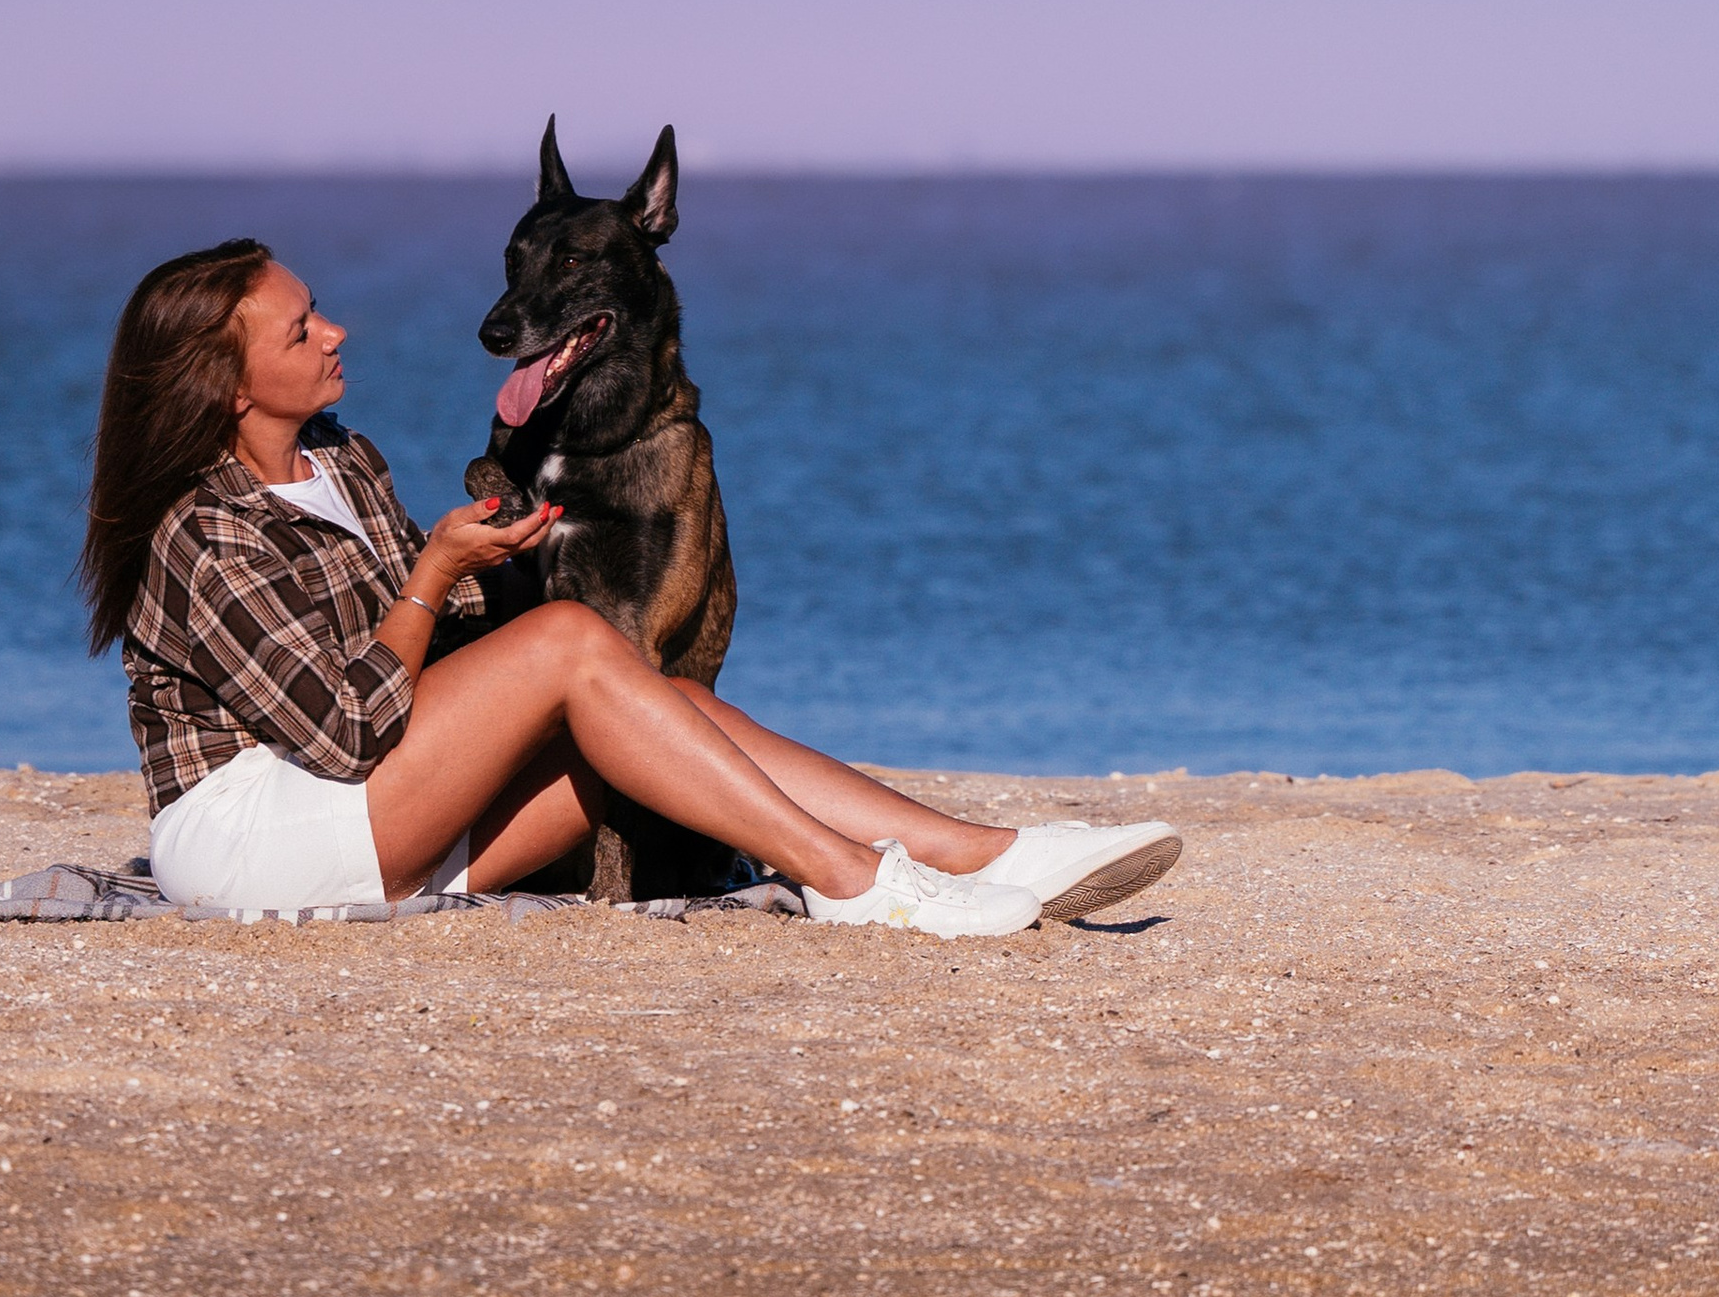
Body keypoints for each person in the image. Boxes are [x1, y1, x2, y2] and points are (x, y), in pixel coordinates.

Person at [80, 235, 1180, 938]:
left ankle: (983, 853)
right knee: (570, 641)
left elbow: (432, 647)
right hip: (257, 836)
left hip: (378, 811)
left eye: (317, 307)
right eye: (301, 327)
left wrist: (499, 560)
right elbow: (345, 727)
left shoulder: (342, 458)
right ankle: (855, 883)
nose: (335, 330)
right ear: (227, 385)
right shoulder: (201, 532)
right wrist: (435, 573)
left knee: (666, 707)